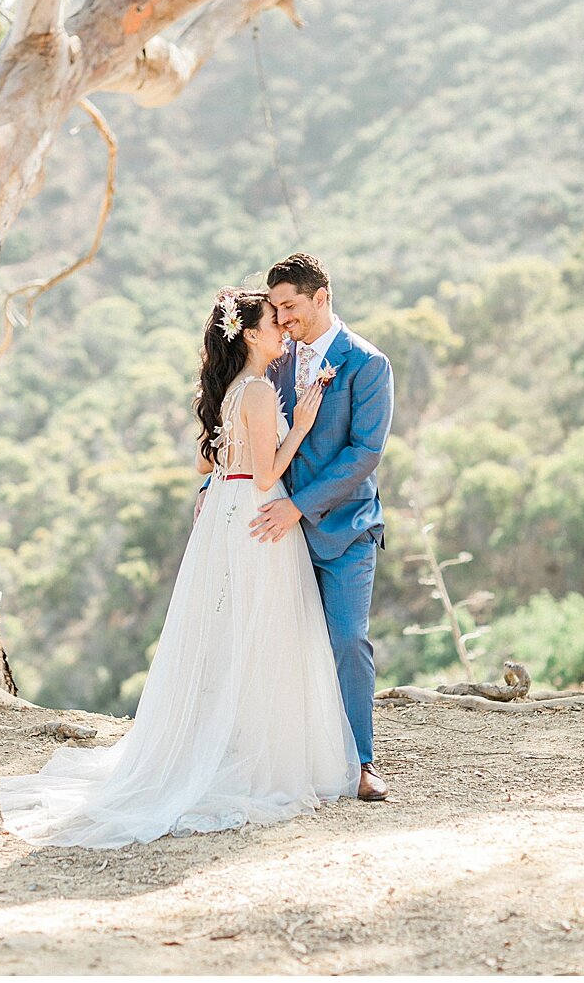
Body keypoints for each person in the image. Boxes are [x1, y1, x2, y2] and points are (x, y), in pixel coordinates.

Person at [0, 288, 358, 848]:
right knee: (263, 630)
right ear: (252, 335)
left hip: (224, 513)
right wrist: (302, 424)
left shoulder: (230, 391)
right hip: (258, 513)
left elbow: (204, 460)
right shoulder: (258, 392)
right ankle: (254, 751)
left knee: (228, 630)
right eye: (272, 322)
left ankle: (227, 737)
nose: (283, 328)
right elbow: (266, 476)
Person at [253, 253, 394, 801]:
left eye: (290, 306)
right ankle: (290, 759)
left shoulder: (367, 363)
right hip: (279, 530)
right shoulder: (274, 359)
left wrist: (300, 505)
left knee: (347, 639)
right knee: (279, 642)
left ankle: (361, 760)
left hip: (346, 528)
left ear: (321, 297)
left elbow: (365, 453)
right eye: (276, 309)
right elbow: (250, 429)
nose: (283, 318)